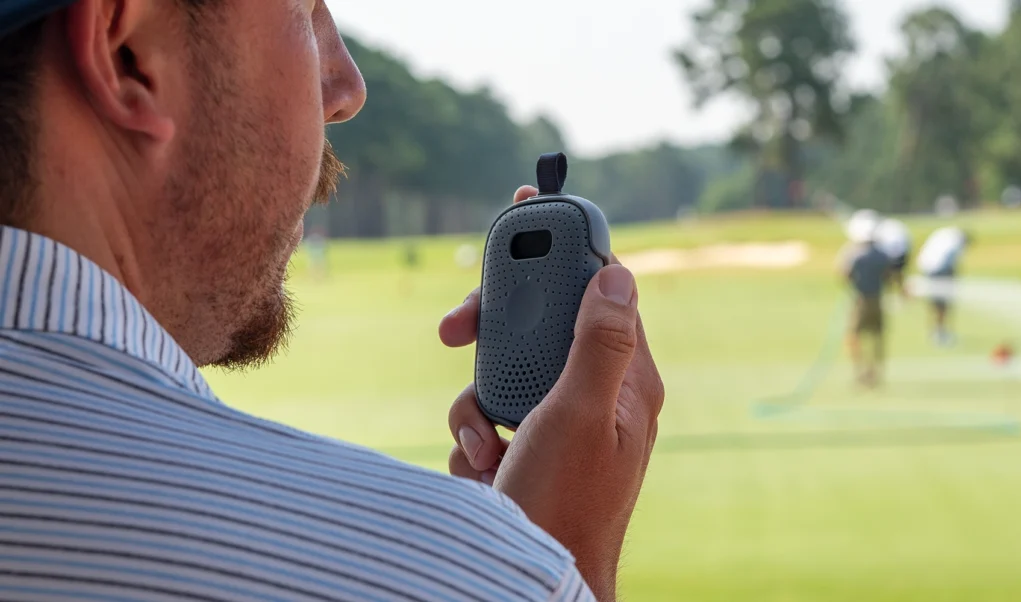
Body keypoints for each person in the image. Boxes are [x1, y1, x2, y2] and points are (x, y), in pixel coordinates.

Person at [0, 2, 664, 601]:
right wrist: (546, 562)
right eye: (305, 9)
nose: (348, 89)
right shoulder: (449, 572)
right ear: (128, 55)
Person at [838, 217, 894, 387]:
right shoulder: (883, 255)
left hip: (860, 300)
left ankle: (860, 371)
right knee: (877, 336)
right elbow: (889, 276)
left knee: (854, 335)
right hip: (878, 299)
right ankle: (875, 371)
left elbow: (844, 274)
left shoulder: (856, 254)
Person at [916, 226, 972, 346]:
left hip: (928, 268)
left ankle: (937, 331)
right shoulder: (955, 242)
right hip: (939, 271)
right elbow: (950, 262)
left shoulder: (945, 235)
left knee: (937, 303)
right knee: (943, 304)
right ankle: (940, 332)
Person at [873, 217, 912, 298]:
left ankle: (889, 294)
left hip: (891, 253)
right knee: (899, 275)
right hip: (902, 252)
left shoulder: (882, 228)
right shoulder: (895, 226)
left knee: (887, 275)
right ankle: (902, 294)